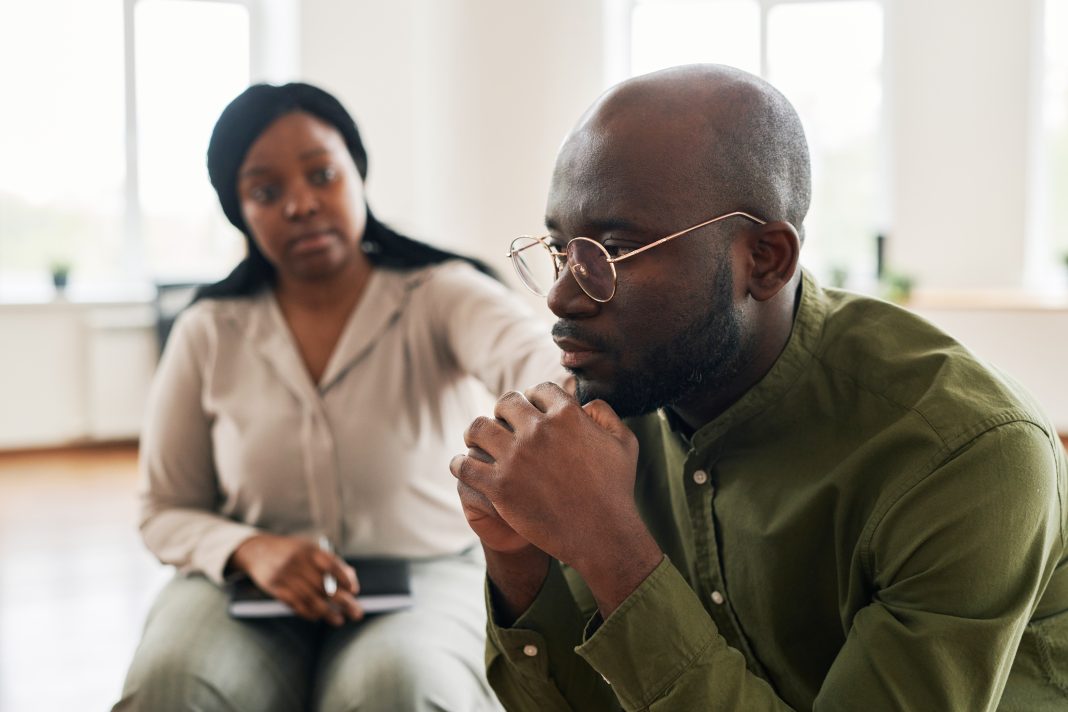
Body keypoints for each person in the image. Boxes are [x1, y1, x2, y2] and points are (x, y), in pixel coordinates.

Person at [450, 64, 1068, 710]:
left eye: (613, 252)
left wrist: (615, 555)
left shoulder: (962, 452)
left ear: (766, 259)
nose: (562, 295)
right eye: (561, 248)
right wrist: (518, 560)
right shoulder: (611, 406)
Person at [114, 82, 564, 712]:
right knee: (171, 686)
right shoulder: (209, 329)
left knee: (401, 689)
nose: (300, 204)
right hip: (246, 585)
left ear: (358, 173)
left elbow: (540, 361)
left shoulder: (440, 293)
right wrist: (250, 549)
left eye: (322, 174)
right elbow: (164, 509)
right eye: (266, 192)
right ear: (239, 210)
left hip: (425, 575)